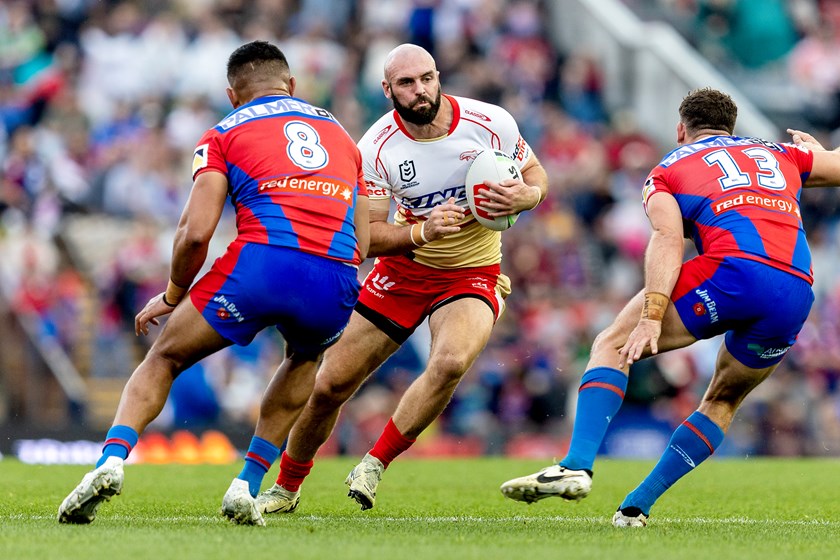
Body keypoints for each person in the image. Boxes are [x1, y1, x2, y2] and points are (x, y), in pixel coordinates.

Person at [57, 40, 369, 526]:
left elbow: (195, 233)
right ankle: (247, 484)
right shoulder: (343, 137)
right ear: (292, 85)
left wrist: (173, 295)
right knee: (304, 358)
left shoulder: (224, 131)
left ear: (232, 94)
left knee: (163, 357)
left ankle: (111, 461)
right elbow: (364, 239)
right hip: (336, 276)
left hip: (264, 263)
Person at [499, 87, 840, 527]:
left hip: (733, 271)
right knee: (722, 400)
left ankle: (576, 465)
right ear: (731, 126)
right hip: (796, 288)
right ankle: (636, 506)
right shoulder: (780, 154)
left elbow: (666, 240)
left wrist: (652, 316)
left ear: (682, 129)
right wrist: (820, 150)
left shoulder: (667, 169)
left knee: (611, 344)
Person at [249, 43, 548, 514]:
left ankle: (374, 463)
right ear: (387, 90)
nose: (420, 89)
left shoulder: (491, 121)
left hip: (473, 272)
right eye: (406, 83)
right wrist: (423, 230)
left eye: (427, 78)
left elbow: (534, 174)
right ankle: (286, 488)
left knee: (450, 363)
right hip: (403, 273)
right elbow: (367, 239)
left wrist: (526, 197)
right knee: (329, 386)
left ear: (438, 75)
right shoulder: (375, 148)